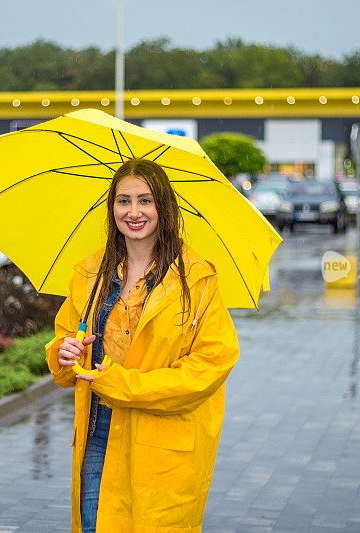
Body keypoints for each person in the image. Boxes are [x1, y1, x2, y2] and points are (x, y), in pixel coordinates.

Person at [45, 158, 240, 532]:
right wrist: (64, 353)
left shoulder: (196, 280)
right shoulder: (89, 273)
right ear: (111, 208)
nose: (133, 212)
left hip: (162, 448)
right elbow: (65, 337)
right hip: (97, 436)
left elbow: (211, 365)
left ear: (163, 208)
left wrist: (122, 385)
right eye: (123, 201)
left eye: (145, 200)